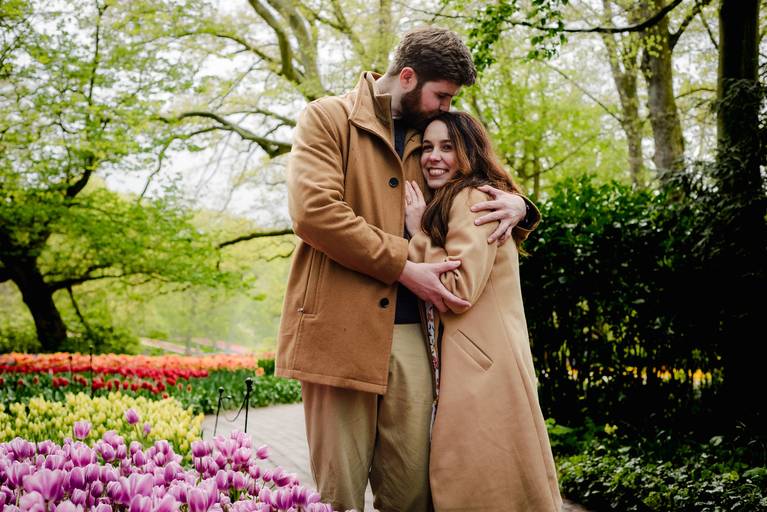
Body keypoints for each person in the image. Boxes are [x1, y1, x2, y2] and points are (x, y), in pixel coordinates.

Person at [275, 27, 540, 512]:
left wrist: (521, 206)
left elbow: (473, 183)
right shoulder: (327, 118)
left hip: (414, 336)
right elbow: (314, 212)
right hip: (338, 333)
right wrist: (403, 265)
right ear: (409, 77)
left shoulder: (432, 137)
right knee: (339, 495)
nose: (446, 106)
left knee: (413, 494)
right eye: (442, 95)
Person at [404, 111, 562, 511]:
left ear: (469, 152)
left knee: (472, 483)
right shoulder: (468, 197)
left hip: (482, 369)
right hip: (486, 361)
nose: (433, 157)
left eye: (447, 147)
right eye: (427, 147)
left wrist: (418, 232)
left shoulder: (471, 197)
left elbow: (457, 289)